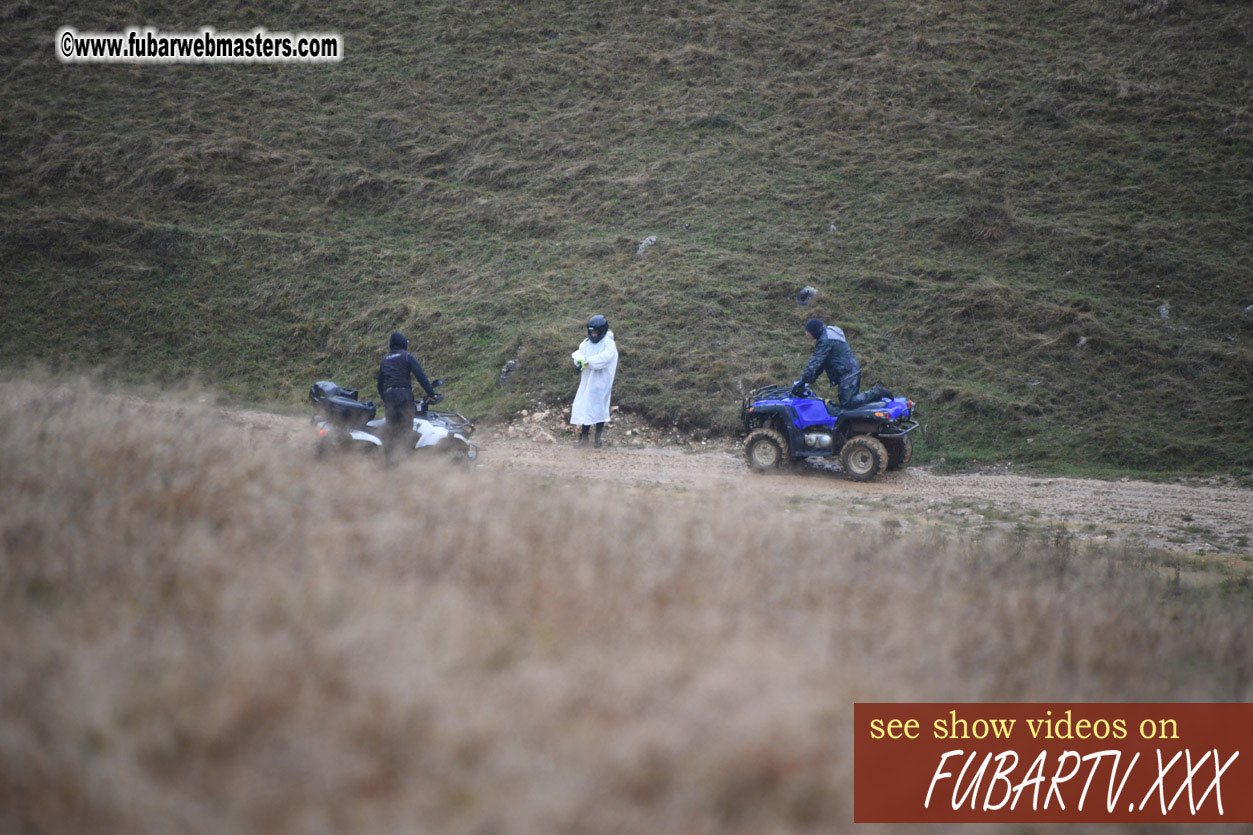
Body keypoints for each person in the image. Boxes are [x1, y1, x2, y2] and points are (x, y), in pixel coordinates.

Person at [794, 317, 891, 409]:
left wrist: (802, 381)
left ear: (814, 331)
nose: (806, 334)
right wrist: (809, 379)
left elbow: (815, 362)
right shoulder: (828, 333)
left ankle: (876, 392)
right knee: (852, 405)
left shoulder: (825, 340)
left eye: (808, 332)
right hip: (849, 371)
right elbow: (821, 364)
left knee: (847, 403)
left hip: (847, 374)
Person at [376, 331, 439, 456]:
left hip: (389, 396)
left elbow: (379, 384)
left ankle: (390, 462)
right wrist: (431, 393)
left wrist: (385, 398)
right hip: (404, 395)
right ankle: (408, 459)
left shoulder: (384, 360)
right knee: (406, 429)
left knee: (392, 431)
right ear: (403, 342)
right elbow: (420, 376)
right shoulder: (406, 356)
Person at [570, 314, 618, 448]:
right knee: (586, 407)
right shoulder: (586, 343)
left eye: (596, 332)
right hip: (587, 381)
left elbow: (605, 359)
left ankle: (598, 437)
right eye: (592, 332)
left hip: (602, 382)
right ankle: (583, 438)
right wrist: (578, 361)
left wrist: (588, 362)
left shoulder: (609, 344)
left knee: (599, 409)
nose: (594, 335)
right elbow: (579, 353)